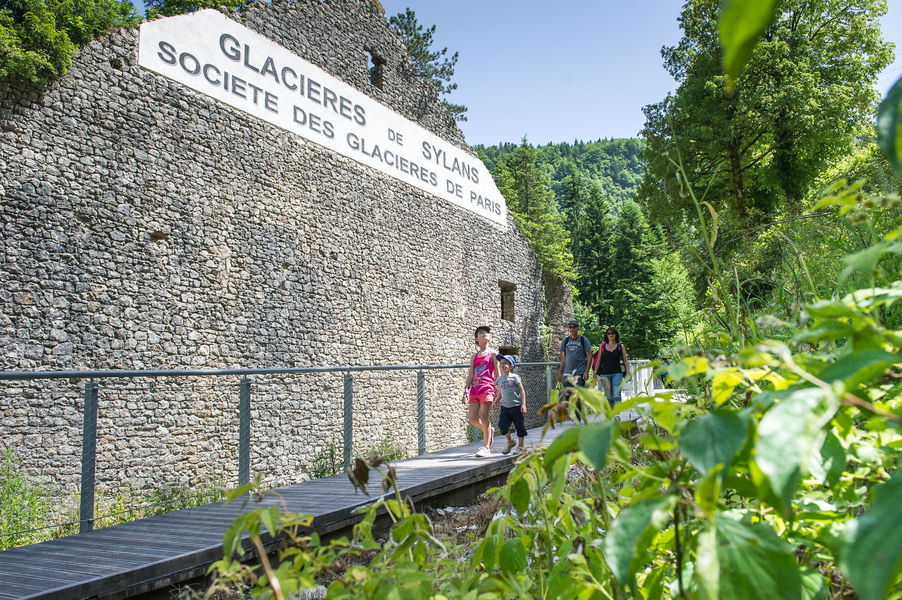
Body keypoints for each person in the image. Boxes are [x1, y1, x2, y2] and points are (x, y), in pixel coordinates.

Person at [462, 325, 498, 457]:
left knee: (484, 416)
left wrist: (499, 391)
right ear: (476, 339)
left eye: (486, 333)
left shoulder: (493, 354)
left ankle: (486, 447)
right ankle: (489, 430)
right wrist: (465, 390)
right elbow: (471, 374)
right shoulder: (474, 356)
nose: (485, 334)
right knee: (472, 418)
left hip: (487, 387)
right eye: (481, 333)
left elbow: (498, 375)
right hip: (475, 389)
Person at [556, 319, 592, 422]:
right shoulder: (565, 341)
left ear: (578, 328)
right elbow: (563, 358)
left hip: (579, 373)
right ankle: (573, 414)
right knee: (567, 396)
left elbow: (589, 357)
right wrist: (560, 373)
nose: (572, 329)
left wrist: (586, 372)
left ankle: (577, 418)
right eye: (570, 327)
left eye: (574, 327)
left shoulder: (583, 340)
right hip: (567, 373)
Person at [494, 354, 527, 455]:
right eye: (501, 363)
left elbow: (521, 390)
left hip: (516, 407)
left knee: (519, 427)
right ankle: (510, 441)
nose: (502, 365)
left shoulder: (514, 377)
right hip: (505, 407)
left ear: (511, 366)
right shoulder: (499, 379)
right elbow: (501, 393)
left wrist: (523, 404)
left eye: (505, 363)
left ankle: (521, 447)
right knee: (502, 425)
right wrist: (495, 401)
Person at [595, 327, 630, 406]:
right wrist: (595, 372)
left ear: (616, 335)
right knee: (608, 396)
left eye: (613, 333)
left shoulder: (620, 346)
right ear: (606, 335)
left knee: (616, 393)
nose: (611, 335)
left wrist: (628, 373)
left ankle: (616, 414)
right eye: (609, 333)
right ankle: (611, 415)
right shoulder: (602, 346)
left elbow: (625, 361)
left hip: (617, 373)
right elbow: (599, 359)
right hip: (605, 374)